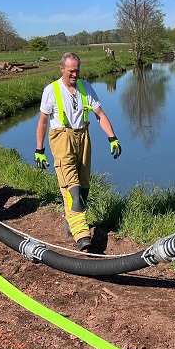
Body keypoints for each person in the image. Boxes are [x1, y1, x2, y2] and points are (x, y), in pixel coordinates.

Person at [34, 52, 121, 251]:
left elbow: (99, 114)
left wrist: (112, 137)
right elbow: (43, 121)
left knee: (83, 186)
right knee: (71, 188)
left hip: (83, 137)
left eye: (77, 70)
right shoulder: (51, 90)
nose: (74, 74)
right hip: (61, 138)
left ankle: (71, 221)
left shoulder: (85, 87)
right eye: (71, 71)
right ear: (61, 69)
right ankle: (82, 235)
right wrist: (39, 149)